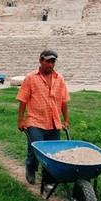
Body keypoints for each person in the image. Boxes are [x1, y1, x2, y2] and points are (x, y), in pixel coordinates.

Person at [17, 50, 70, 187]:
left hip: (54, 121)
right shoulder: (31, 78)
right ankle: (31, 169)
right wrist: (21, 120)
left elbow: (64, 101)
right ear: (41, 60)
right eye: (47, 61)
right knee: (36, 149)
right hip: (35, 121)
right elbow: (23, 100)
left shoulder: (60, 79)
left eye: (53, 62)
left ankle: (48, 178)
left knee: (52, 152)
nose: (50, 65)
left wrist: (66, 120)